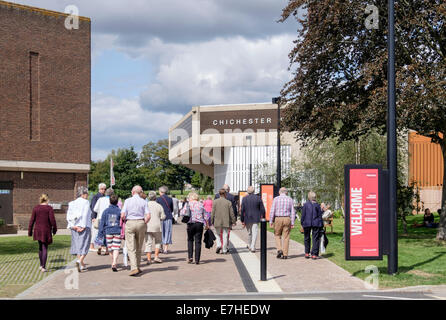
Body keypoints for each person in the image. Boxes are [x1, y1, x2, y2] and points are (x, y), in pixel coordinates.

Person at [121, 185, 150, 276]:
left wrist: (124, 220)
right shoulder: (144, 201)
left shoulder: (127, 201)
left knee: (131, 246)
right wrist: (144, 222)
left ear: (132, 192)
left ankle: (133, 267)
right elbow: (148, 216)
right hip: (141, 222)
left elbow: (122, 215)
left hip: (130, 222)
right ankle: (137, 266)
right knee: (139, 246)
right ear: (140, 192)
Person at [28, 194, 57, 272]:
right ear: (47, 200)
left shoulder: (36, 208)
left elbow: (32, 220)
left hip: (37, 230)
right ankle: (43, 267)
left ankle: (41, 265)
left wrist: (30, 231)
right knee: (44, 247)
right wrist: (54, 230)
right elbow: (52, 220)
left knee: (40, 247)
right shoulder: (49, 208)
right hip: (46, 230)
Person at [67, 186, 92, 272]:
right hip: (84, 227)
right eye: (87, 194)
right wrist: (83, 226)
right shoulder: (86, 202)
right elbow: (85, 214)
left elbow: (68, 216)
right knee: (85, 245)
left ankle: (82, 265)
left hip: (74, 227)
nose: (87, 195)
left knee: (78, 246)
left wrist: (72, 226)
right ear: (83, 194)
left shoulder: (72, 203)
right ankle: (79, 261)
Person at [269, 187, 296, 260]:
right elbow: (293, 212)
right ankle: (285, 254)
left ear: (279, 192)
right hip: (287, 218)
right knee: (286, 236)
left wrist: (271, 221)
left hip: (278, 218)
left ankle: (279, 249)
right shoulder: (290, 199)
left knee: (277, 234)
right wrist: (292, 222)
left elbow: (272, 210)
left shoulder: (276, 199)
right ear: (286, 192)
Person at [98, 194, 122, 272]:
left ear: (110, 201)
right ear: (117, 202)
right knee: (116, 247)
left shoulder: (105, 211)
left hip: (108, 231)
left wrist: (100, 233)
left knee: (110, 248)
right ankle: (114, 262)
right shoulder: (119, 211)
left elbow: (102, 223)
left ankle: (113, 261)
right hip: (117, 230)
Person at [185, 192, 209, 264]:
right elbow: (206, 216)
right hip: (199, 224)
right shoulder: (201, 204)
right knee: (198, 241)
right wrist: (207, 224)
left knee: (190, 240)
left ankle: (190, 257)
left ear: (191, 197)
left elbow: (183, 213)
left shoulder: (188, 204)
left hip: (190, 223)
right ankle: (197, 259)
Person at [241, 186, 265, 253]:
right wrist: (263, 216)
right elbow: (262, 209)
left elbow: (242, 210)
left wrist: (242, 219)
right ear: (254, 191)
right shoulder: (258, 198)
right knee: (254, 232)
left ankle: (249, 244)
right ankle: (253, 246)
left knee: (249, 233)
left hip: (247, 218)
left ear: (247, 191)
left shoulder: (244, 199)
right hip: (256, 217)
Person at [212, 189, 236, 254]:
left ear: (219, 194)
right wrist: (234, 221)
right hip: (226, 221)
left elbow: (212, 212)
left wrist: (211, 221)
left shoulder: (215, 202)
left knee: (217, 234)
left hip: (217, 221)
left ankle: (219, 244)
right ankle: (224, 249)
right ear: (225, 194)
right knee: (225, 235)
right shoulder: (228, 202)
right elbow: (232, 213)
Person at [145, 191, 166, 264]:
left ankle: (148, 258)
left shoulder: (146, 205)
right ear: (155, 197)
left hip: (147, 226)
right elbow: (163, 217)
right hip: (157, 225)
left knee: (148, 243)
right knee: (158, 241)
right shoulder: (159, 205)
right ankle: (156, 256)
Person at [301, 191, 323, 260]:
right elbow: (320, 216)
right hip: (316, 223)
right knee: (315, 238)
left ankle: (307, 253)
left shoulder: (305, 205)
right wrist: (321, 224)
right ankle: (314, 254)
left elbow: (303, 215)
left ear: (308, 197)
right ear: (314, 197)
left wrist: (302, 223)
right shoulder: (317, 205)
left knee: (307, 238)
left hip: (307, 223)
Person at [93, 187, 114, 255]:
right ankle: (107, 250)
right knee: (108, 234)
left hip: (100, 218)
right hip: (109, 219)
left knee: (100, 233)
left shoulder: (100, 199)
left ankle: (100, 246)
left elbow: (95, 209)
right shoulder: (112, 200)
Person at [156, 186, 174, 254]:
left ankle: (160, 248)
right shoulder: (170, 199)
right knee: (167, 232)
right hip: (168, 217)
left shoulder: (158, 199)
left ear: (160, 191)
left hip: (160, 218)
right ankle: (166, 249)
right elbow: (172, 209)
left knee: (160, 232)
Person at [90, 183, 106, 252]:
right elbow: (93, 207)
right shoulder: (96, 197)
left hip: (101, 217)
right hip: (96, 217)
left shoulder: (104, 196)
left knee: (101, 232)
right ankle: (91, 246)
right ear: (99, 189)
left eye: (104, 189)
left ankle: (101, 246)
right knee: (94, 232)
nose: (103, 190)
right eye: (102, 189)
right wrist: (93, 217)